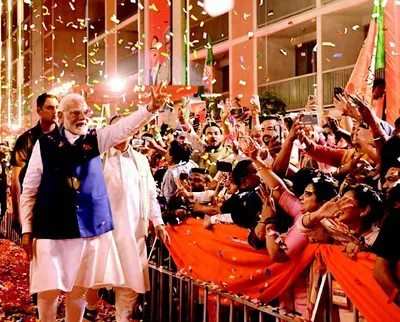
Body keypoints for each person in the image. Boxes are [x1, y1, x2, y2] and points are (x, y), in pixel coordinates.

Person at [19, 86, 167, 321]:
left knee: (78, 291)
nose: (82, 118)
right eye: (74, 113)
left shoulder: (96, 140)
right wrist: (27, 230)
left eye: (84, 112)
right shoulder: (44, 144)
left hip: (86, 230)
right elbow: (29, 189)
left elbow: (124, 127)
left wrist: (150, 108)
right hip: (50, 228)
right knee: (48, 291)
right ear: (61, 117)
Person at [85, 115, 170, 322]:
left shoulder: (140, 161)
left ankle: (122, 317)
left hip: (133, 231)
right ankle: (91, 308)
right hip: (103, 231)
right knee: (93, 278)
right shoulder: (97, 158)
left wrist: (158, 222)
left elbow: (150, 194)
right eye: (118, 126)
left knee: (131, 279)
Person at [11, 93, 59, 230]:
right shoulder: (26, 140)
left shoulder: (65, 137)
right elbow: (15, 179)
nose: (55, 112)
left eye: (56, 107)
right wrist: (17, 213)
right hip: (35, 205)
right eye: (49, 107)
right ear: (39, 110)